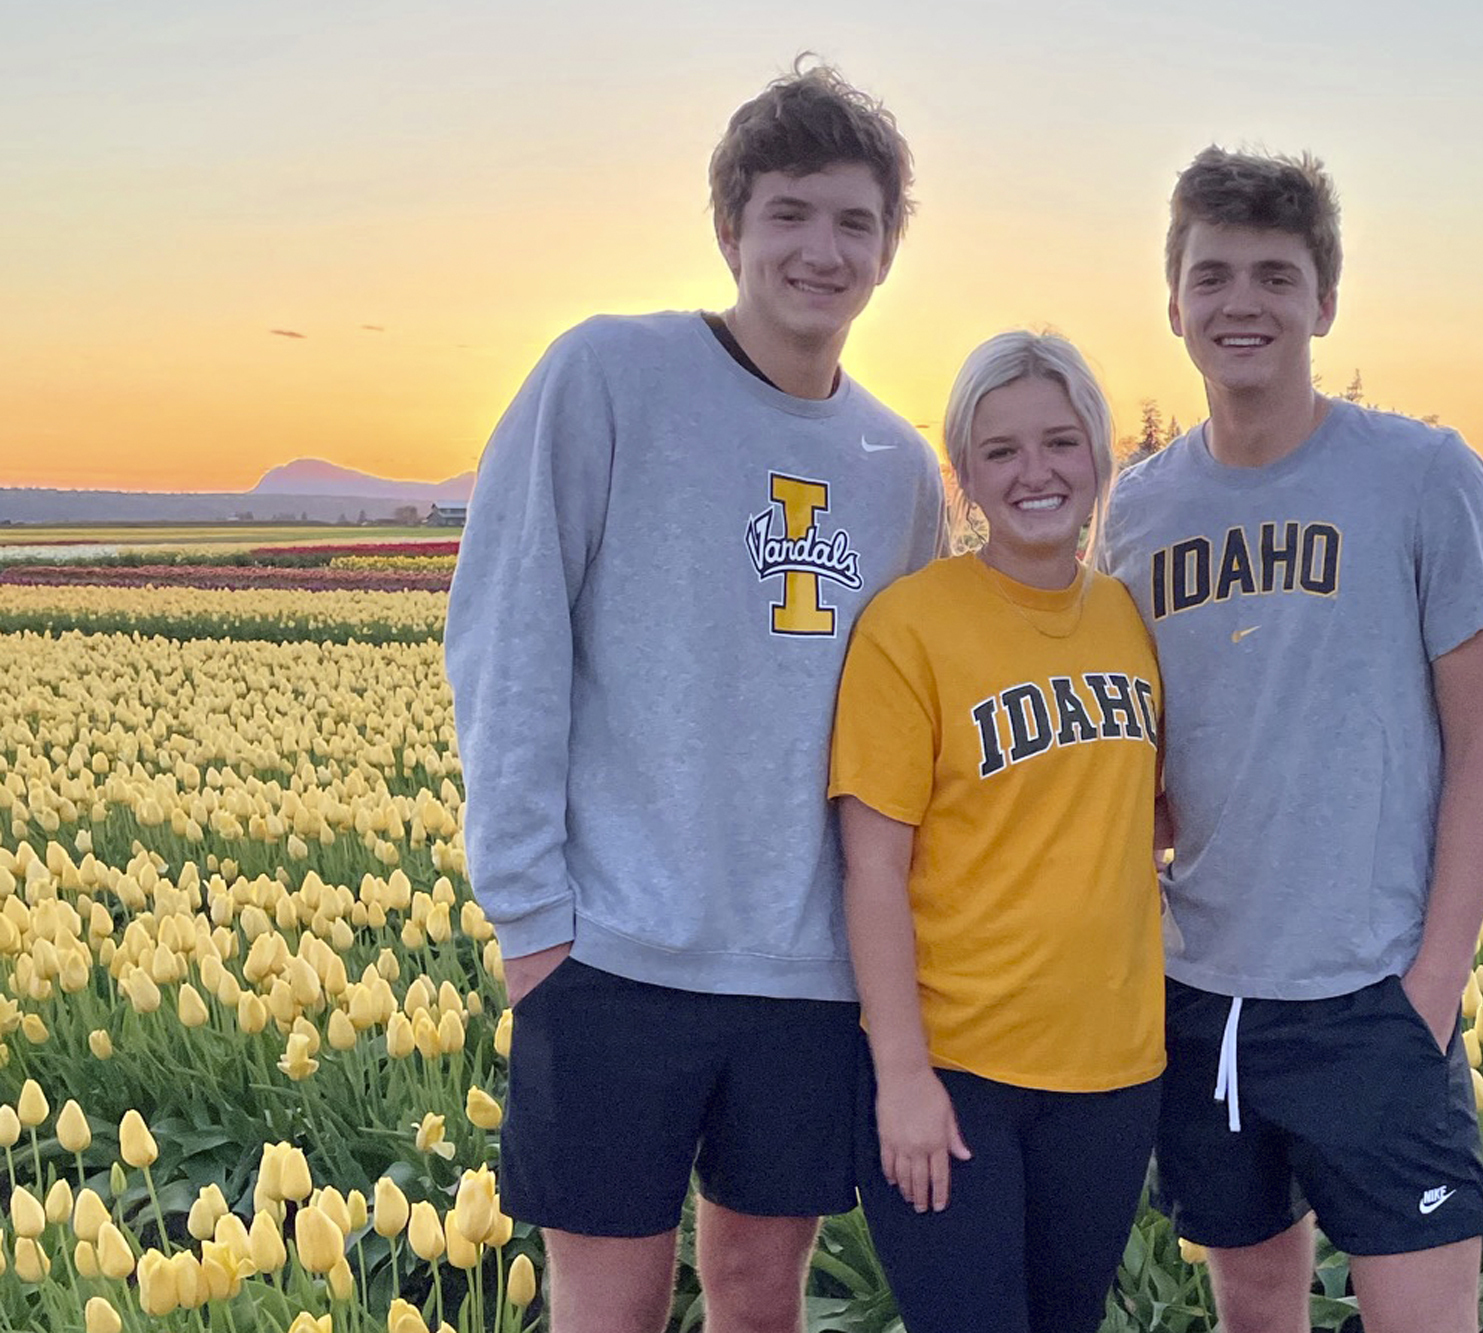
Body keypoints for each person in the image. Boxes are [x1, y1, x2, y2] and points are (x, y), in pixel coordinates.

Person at [444, 60, 945, 1333]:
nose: (819, 249)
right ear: (730, 228)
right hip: (612, 952)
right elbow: (505, 636)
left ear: (888, 250)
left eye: (852, 221)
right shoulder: (608, 376)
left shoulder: (897, 470)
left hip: (806, 968)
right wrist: (530, 928)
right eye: (787, 213)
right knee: (605, 1305)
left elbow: (905, 736)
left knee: (758, 1292)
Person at [1098, 147, 1483, 1333]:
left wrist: (1429, 987)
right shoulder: (1138, 510)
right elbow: (1151, 755)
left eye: (1276, 277)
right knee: (1252, 1315)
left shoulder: (1423, 476)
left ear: (1322, 300)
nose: (1243, 303)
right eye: (1214, 274)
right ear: (1173, 301)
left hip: (1371, 994)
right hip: (1205, 991)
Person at [830, 331, 1165, 1333]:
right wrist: (901, 1078)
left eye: (1060, 443)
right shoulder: (909, 626)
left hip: (1112, 1072)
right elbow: (870, 865)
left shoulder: (1131, 617)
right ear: (963, 473)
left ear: (1099, 458)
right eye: (1001, 450)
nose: (1035, 473)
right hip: (958, 1073)